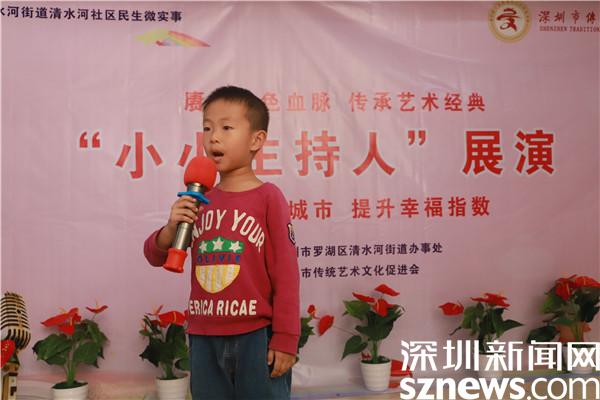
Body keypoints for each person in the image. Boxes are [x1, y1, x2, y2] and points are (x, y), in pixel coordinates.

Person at [143, 86, 300, 399]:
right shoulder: (198, 199)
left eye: (227, 128)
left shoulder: (268, 197)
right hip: (203, 334)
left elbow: (286, 273)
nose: (213, 137)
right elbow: (154, 254)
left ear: (256, 140)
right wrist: (172, 227)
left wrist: (285, 337)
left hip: (256, 335)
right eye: (207, 128)